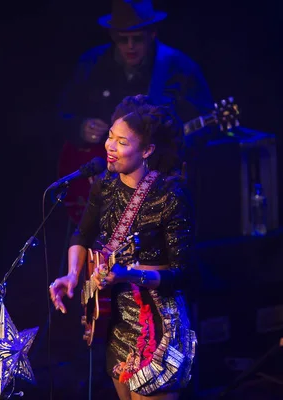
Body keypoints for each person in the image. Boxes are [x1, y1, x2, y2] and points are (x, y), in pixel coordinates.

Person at [49, 95, 197, 400]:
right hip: (117, 325)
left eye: (121, 142)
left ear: (147, 150)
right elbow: (82, 234)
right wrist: (73, 276)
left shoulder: (170, 196)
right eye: (109, 137)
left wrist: (129, 275)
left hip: (159, 326)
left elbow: (182, 274)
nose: (109, 147)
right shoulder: (104, 184)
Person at [57, 0, 214, 148]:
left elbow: (207, 122)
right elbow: (60, 115)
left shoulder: (180, 68)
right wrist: (80, 127)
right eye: (123, 40)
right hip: (99, 168)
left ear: (152, 34)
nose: (130, 46)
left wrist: (174, 149)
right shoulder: (90, 63)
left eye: (138, 39)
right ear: (112, 35)